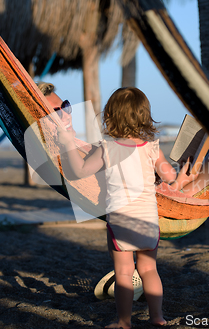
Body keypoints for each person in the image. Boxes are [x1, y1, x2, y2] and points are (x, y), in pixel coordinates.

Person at [57, 87, 196, 328]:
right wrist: (181, 175)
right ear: (144, 116)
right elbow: (169, 176)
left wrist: (69, 142)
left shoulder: (107, 148)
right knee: (149, 269)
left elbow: (80, 171)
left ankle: (123, 321)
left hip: (121, 220)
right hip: (148, 220)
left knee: (123, 273)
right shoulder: (151, 146)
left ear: (110, 115)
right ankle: (157, 317)